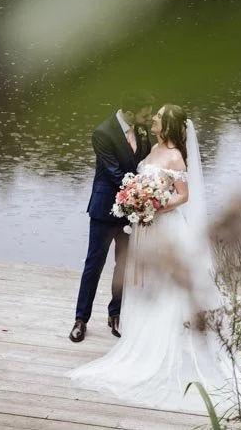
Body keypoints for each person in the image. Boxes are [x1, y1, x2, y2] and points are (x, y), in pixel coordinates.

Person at [66, 105, 234, 412]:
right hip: (137, 220)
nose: (152, 119)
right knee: (115, 269)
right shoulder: (148, 144)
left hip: (160, 224)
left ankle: (152, 332)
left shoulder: (174, 155)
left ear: (166, 125)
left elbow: (184, 194)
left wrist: (153, 205)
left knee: (156, 278)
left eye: (157, 117)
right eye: (151, 114)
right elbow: (129, 174)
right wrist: (139, 200)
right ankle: (86, 319)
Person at [69, 91, 154, 343]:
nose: (148, 118)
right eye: (145, 114)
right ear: (129, 112)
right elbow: (115, 173)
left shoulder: (142, 130)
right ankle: (80, 320)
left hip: (132, 212)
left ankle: (115, 314)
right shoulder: (103, 133)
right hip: (106, 209)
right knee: (93, 265)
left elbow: (145, 163)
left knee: (124, 266)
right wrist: (145, 194)